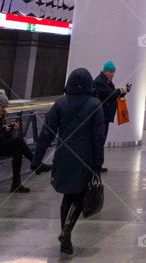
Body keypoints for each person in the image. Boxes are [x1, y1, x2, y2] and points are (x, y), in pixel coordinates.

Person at [31, 68, 106, 256]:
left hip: (64, 153)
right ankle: (67, 230)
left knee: (67, 195)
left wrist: (37, 159)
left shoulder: (60, 104)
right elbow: (98, 137)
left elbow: (47, 133)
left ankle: (66, 235)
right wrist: (98, 161)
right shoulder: (95, 105)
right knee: (81, 195)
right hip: (85, 156)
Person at [0, 90, 49, 193]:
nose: (4, 109)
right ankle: (36, 165)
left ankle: (16, 184)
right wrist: (3, 128)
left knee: (17, 150)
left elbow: (2, 136)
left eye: (5, 107)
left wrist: (10, 129)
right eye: (2, 107)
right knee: (18, 142)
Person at [93, 61, 131, 172]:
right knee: (99, 140)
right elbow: (109, 95)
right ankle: (96, 165)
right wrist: (120, 90)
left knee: (101, 140)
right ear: (105, 71)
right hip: (101, 116)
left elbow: (113, 94)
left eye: (113, 72)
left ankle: (98, 164)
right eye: (110, 72)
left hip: (106, 116)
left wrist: (123, 92)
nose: (112, 74)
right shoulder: (99, 82)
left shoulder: (107, 82)